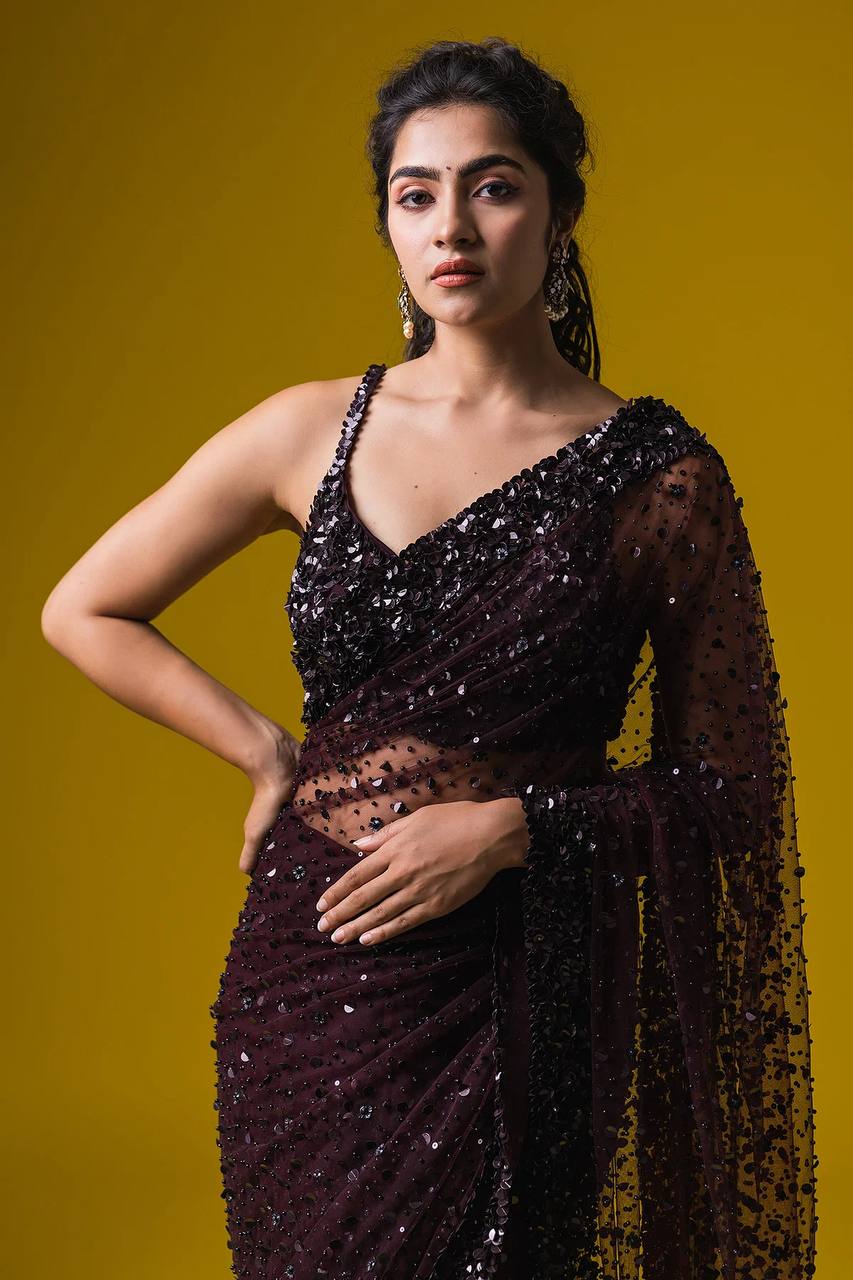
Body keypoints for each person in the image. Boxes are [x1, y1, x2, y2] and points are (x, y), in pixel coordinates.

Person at [41, 35, 817, 1280]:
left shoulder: (659, 477)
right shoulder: (310, 431)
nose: (451, 225)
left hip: (527, 984)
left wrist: (516, 827)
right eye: (416, 195)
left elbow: (727, 788)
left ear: (560, 213)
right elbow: (84, 607)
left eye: (493, 186)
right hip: (313, 974)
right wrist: (265, 752)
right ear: (390, 225)